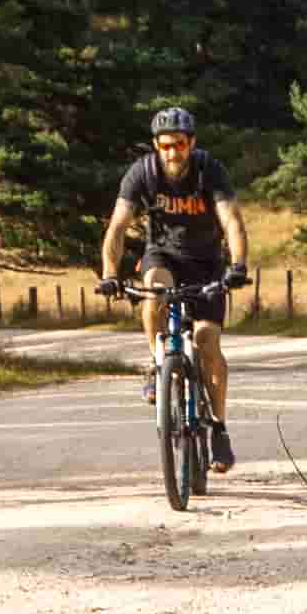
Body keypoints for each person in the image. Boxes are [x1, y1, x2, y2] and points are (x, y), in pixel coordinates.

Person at [99, 103, 243, 470]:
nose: (172, 152)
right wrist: (109, 273)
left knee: (208, 342)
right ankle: (157, 361)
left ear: (191, 143)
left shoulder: (209, 170)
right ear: (155, 145)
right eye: (165, 145)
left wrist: (238, 265)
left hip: (208, 263)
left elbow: (232, 220)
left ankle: (219, 430)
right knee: (154, 295)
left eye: (178, 144)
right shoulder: (142, 173)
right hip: (162, 256)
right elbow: (117, 227)